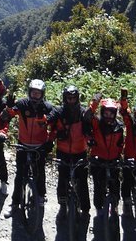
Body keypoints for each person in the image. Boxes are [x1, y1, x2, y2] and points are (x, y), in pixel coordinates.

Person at [1, 78, 54, 219]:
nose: (35, 95)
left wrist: (50, 141)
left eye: (38, 93)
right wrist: (9, 108)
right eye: (33, 93)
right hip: (23, 144)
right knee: (20, 175)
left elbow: (55, 125)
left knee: (40, 173)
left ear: (42, 94)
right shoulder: (22, 104)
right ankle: (14, 203)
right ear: (29, 92)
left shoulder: (47, 107)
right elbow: (6, 117)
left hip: (40, 146)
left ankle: (41, 196)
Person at [49, 85, 92, 220]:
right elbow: (51, 122)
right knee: (62, 180)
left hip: (80, 152)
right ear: (64, 98)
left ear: (77, 98)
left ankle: (85, 210)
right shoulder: (59, 112)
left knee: (83, 182)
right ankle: (62, 206)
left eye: (74, 98)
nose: (71, 100)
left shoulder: (83, 112)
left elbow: (88, 130)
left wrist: (91, 141)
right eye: (69, 98)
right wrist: (44, 122)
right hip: (63, 152)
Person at [88, 95, 124, 220]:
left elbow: (120, 143)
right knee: (98, 187)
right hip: (98, 160)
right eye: (106, 113)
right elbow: (87, 116)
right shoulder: (96, 123)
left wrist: (120, 157)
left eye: (111, 113)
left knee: (115, 186)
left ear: (115, 114)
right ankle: (99, 211)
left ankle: (114, 206)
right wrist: (94, 103)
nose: (108, 116)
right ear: (102, 112)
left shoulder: (119, 127)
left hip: (113, 160)